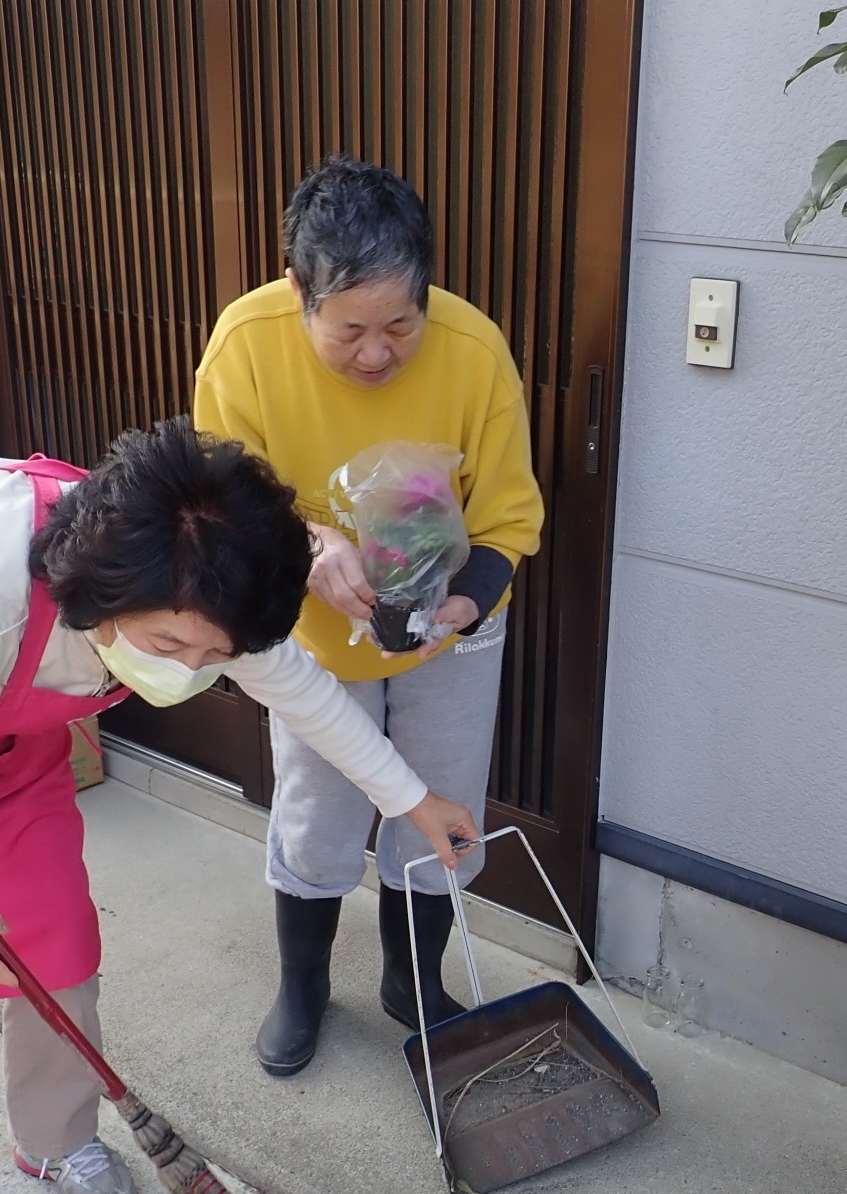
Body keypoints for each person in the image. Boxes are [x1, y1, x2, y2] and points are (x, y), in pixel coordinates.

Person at [0, 419, 478, 1194]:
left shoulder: (208, 595)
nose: (190, 668)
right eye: (170, 644)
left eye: (212, 657)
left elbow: (300, 692)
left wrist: (411, 799)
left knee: (54, 942)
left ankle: (57, 1137)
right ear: (106, 588)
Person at [192, 156, 545, 1078]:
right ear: (300, 294)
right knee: (318, 814)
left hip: (451, 631)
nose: (379, 353)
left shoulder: (473, 351)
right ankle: (303, 984)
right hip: (313, 641)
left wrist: (462, 605)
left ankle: (412, 980)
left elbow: (510, 520)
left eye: (401, 323)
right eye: (349, 331)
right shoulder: (245, 345)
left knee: (439, 808)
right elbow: (221, 500)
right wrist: (310, 550)